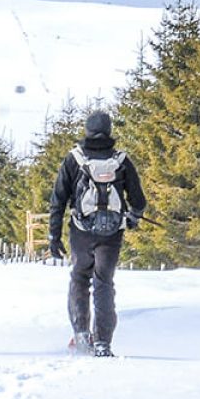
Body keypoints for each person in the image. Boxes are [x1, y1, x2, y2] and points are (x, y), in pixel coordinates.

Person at [47, 110, 145, 357]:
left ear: (87, 130)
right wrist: (132, 219)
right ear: (110, 130)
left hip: (81, 230)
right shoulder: (121, 160)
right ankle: (103, 342)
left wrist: (54, 237)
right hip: (112, 233)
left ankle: (81, 333)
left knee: (80, 278)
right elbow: (138, 201)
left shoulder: (75, 159)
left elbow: (58, 201)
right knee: (104, 283)